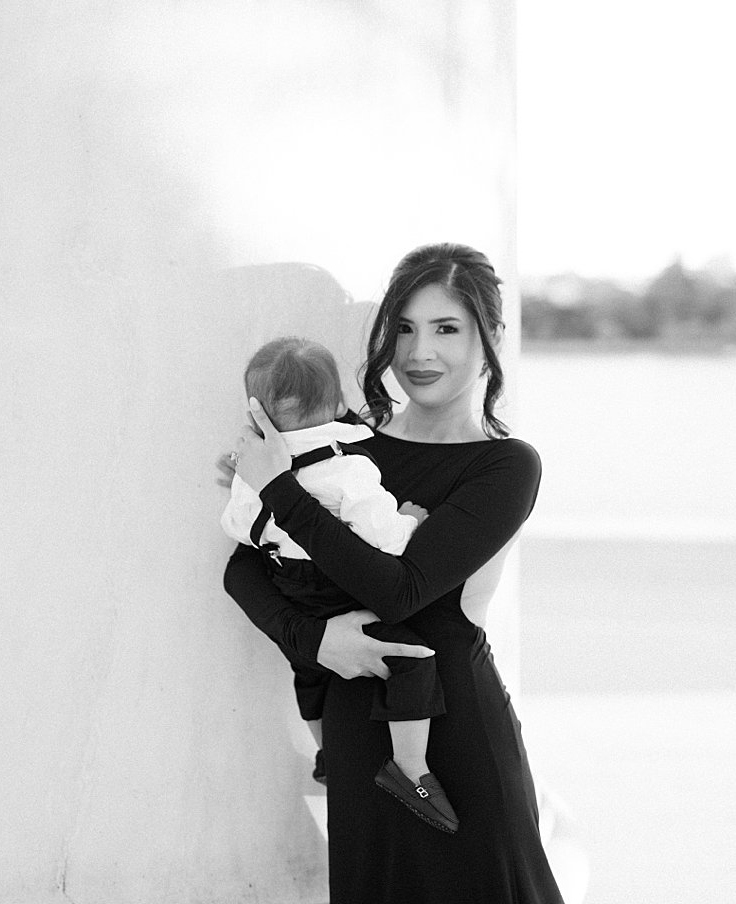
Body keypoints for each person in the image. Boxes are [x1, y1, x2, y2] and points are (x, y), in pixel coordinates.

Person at [221, 243, 565, 903]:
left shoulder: (504, 467)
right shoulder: (344, 443)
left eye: (446, 328)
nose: (419, 352)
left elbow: (401, 589)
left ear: (491, 336)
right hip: (357, 734)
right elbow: (244, 568)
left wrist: (281, 491)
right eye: (403, 328)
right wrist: (315, 640)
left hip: (455, 738)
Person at [221, 336, 458, 833]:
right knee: (412, 661)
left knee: (308, 673)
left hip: (285, 583)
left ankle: (326, 752)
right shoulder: (349, 468)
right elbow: (389, 545)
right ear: (335, 404)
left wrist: (265, 515)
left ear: (258, 412)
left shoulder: (257, 469)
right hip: (337, 589)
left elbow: (237, 532)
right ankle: (411, 768)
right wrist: (412, 519)